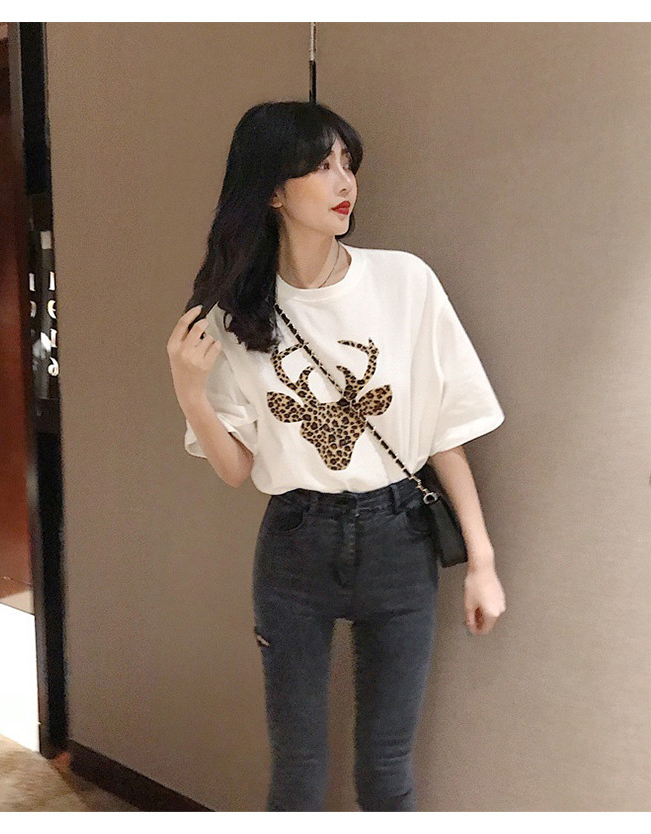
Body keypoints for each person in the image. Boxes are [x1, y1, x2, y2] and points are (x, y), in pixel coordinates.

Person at [166, 100, 507, 812]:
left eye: (347, 163)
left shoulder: (405, 282)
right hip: (295, 542)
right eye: (321, 166)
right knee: (297, 772)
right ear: (273, 189)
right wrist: (191, 392)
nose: (344, 181)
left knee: (386, 770)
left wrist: (481, 561)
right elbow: (236, 469)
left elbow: (443, 431)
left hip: (399, 537)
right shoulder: (236, 315)